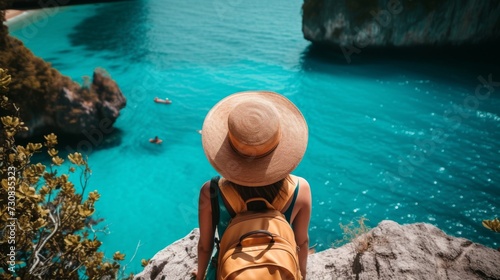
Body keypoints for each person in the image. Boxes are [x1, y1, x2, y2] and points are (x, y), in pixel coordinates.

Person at [196, 91, 311, 280]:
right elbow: (302, 242)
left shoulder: (211, 191)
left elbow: (204, 246)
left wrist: (200, 276)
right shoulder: (301, 188)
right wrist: (302, 275)